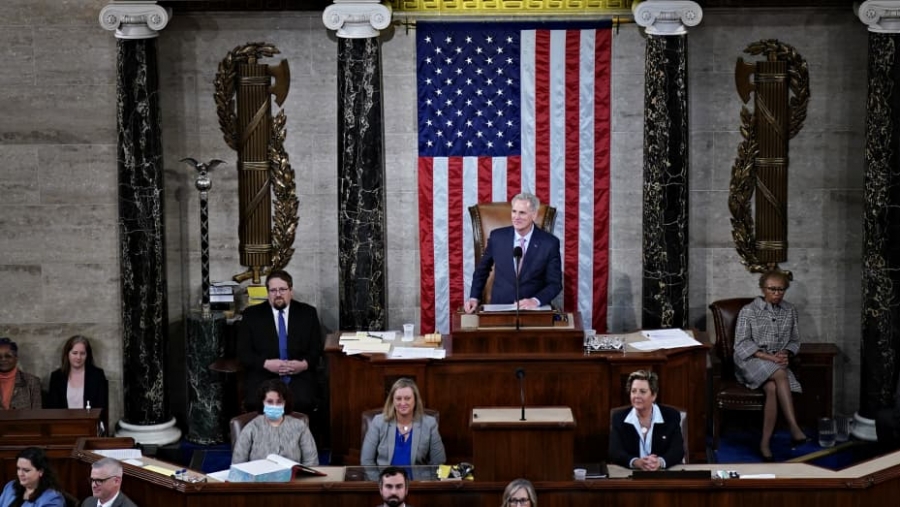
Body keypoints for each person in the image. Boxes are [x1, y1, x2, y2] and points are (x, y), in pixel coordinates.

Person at [733, 270, 809, 461]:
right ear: (763, 288)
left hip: (776, 362)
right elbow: (741, 344)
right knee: (780, 374)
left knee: (773, 387)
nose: (777, 293)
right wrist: (768, 357)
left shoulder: (790, 310)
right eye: (772, 289)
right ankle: (793, 426)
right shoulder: (748, 311)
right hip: (751, 360)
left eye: (781, 290)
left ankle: (765, 443)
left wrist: (786, 353)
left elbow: (795, 340)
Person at [237, 269, 323, 415]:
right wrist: (266, 364)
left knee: (303, 401)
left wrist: (303, 364)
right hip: (263, 375)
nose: (278, 294)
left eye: (282, 289)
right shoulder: (251, 315)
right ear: (268, 292)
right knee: (258, 402)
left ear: (291, 290)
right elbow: (243, 353)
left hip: (298, 375)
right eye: (273, 290)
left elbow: (316, 349)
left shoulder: (308, 314)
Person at [464, 193, 562, 313]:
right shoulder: (497, 237)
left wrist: (535, 300)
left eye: (522, 213)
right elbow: (481, 271)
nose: (516, 217)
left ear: (534, 215)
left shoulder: (549, 243)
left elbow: (555, 284)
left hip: (533, 311)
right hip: (500, 309)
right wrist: (474, 297)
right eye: (514, 211)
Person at [608, 370, 684, 471]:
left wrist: (659, 462)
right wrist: (635, 462)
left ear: (653, 395)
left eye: (642, 392)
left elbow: (678, 450)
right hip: (631, 475)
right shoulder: (619, 417)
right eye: (633, 391)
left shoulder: (671, 416)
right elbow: (615, 451)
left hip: (662, 475)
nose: (636, 396)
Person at [232, 378, 318, 466]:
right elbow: (238, 465)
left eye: (279, 402)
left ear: (285, 402)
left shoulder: (300, 427)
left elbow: (311, 462)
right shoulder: (251, 428)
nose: (274, 405)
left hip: (294, 478)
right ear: (262, 402)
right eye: (269, 402)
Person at [361, 378, 446, 466]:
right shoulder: (378, 422)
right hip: (386, 477)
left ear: (415, 400)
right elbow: (366, 461)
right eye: (398, 398)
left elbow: (438, 461)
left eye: (407, 398)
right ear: (392, 401)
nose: (403, 403)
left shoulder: (429, 424)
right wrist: (380, 479)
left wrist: (427, 479)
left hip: (417, 479)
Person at [46, 335, 110, 431]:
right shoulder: (57, 377)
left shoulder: (97, 375)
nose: (78, 357)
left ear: (87, 355)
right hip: (63, 428)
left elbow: (101, 407)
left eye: (82, 353)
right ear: (67, 354)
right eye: (75, 353)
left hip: (90, 427)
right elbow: (53, 409)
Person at [0, 447, 64, 507]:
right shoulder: (10, 486)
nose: (20, 474)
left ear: (41, 471)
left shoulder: (52, 498)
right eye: (18, 469)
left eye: (26, 470)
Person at [0, 337, 42, 410]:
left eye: (8, 356)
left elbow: (37, 413)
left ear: (16, 358)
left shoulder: (32, 382)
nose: (3, 360)